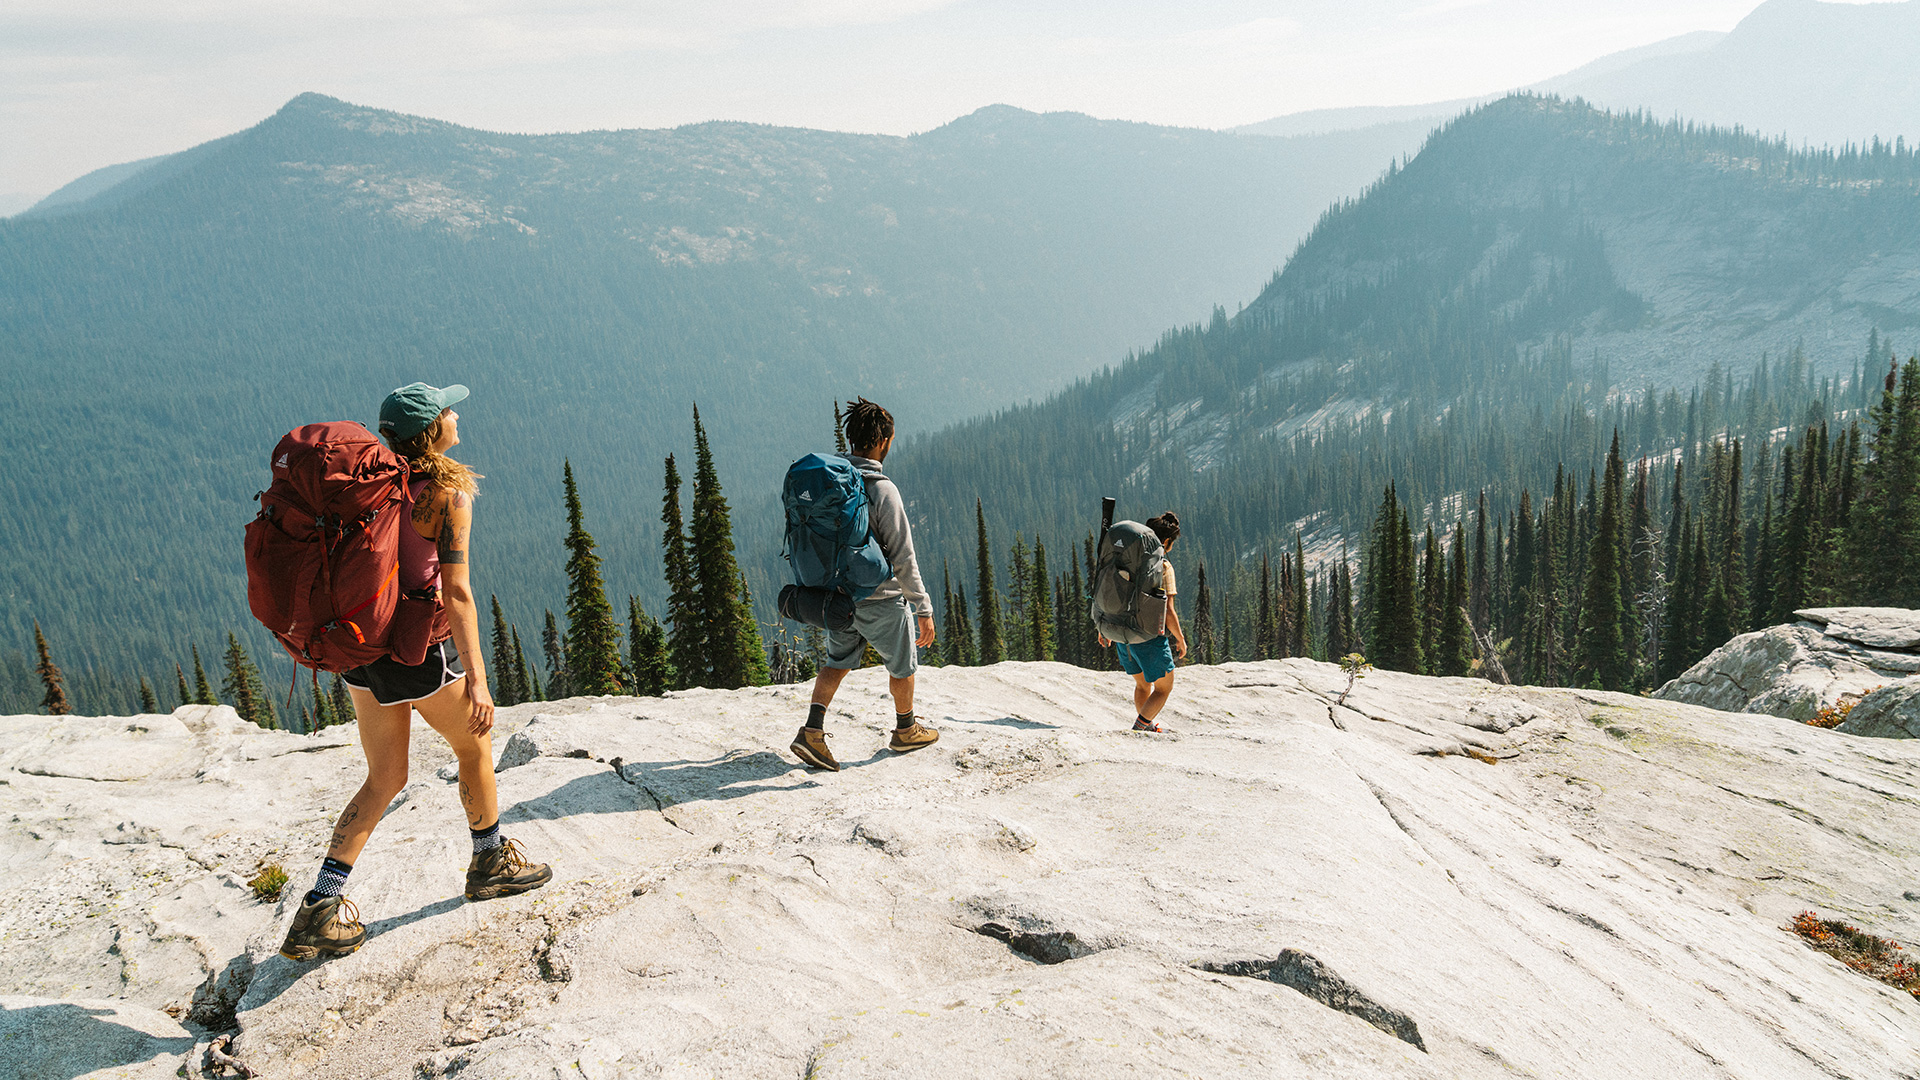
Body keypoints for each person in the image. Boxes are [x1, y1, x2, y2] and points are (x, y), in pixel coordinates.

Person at [279, 382, 551, 962]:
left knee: (384, 779)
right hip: (417, 651)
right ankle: (490, 860)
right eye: (448, 410)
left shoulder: (366, 489)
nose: (456, 415)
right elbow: (456, 591)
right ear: (433, 431)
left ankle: (319, 908)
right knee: (476, 747)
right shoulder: (447, 495)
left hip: (360, 648)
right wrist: (477, 677)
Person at [790, 398, 939, 771]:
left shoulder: (835, 482)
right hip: (881, 600)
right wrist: (923, 608)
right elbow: (903, 557)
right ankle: (905, 729)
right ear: (884, 441)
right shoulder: (882, 489)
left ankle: (812, 730)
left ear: (851, 439)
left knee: (837, 662)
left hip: (837, 598)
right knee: (902, 665)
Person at [1098, 512, 1186, 733]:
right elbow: (1168, 611)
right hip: (1148, 638)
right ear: (1166, 542)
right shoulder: (1163, 567)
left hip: (1121, 635)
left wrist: (1103, 628)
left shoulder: (1127, 561)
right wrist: (1180, 639)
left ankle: (1146, 726)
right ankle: (1140, 727)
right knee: (1164, 688)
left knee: (1142, 684)